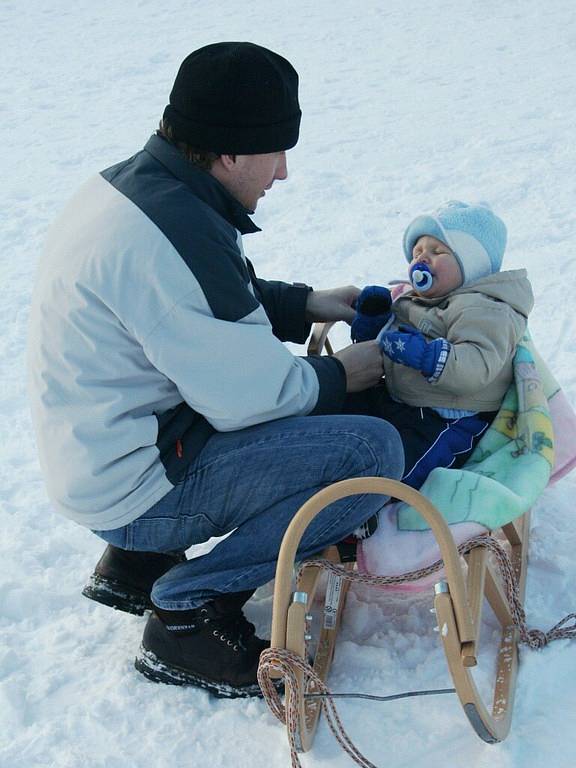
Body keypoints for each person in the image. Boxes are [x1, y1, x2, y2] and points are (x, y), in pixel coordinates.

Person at [27, 42, 404, 698]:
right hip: (137, 485)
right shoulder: (178, 231)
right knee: (371, 454)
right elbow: (258, 397)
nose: (283, 172)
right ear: (230, 150)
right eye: (276, 150)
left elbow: (200, 304)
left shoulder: (143, 190)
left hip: (103, 453)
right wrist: (346, 371)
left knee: (311, 408)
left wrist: (301, 304)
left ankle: (137, 563)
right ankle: (188, 611)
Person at [349, 200, 534, 490]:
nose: (423, 259)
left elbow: (475, 367)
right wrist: (373, 321)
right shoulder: (415, 300)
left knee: (402, 469)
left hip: (450, 419)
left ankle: (364, 508)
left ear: (471, 265)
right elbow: (387, 344)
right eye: (417, 252)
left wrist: (424, 355)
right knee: (346, 415)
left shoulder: (484, 309)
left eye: (437, 252)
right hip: (405, 400)